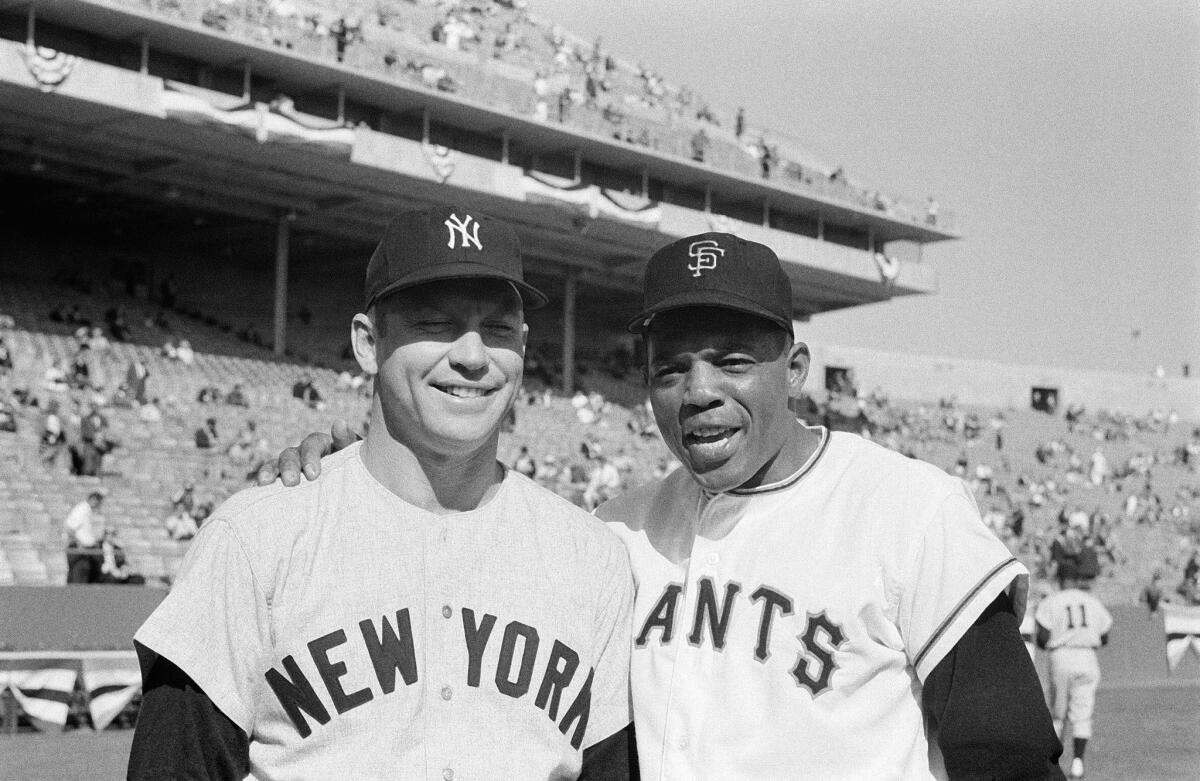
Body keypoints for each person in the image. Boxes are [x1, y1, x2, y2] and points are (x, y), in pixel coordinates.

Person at [272, 232, 1063, 779]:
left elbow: (1012, 756)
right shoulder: (613, 532)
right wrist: (366, 460)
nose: (700, 393)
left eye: (732, 361)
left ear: (796, 368)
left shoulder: (908, 510)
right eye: (671, 367)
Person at [129, 206, 636, 780]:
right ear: (368, 343)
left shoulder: (592, 558)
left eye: (497, 330)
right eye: (434, 324)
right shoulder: (255, 540)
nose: (472, 357)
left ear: (522, 346)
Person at [1035, 574, 1113, 779]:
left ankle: (1052, 763)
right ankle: (1078, 764)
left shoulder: (1052, 600)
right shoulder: (1090, 600)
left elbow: (1042, 639)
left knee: (1058, 713)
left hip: (1061, 655)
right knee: (1082, 713)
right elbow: (1104, 635)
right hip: (1086, 655)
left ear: (1059, 579)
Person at [64, 490, 106, 583]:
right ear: (94, 499)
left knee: (88, 576)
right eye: (99, 502)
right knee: (79, 576)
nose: (99, 505)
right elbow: (69, 528)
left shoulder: (89, 511)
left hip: (86, 549)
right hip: (80, 550)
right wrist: (78, 545)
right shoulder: (81, 509)